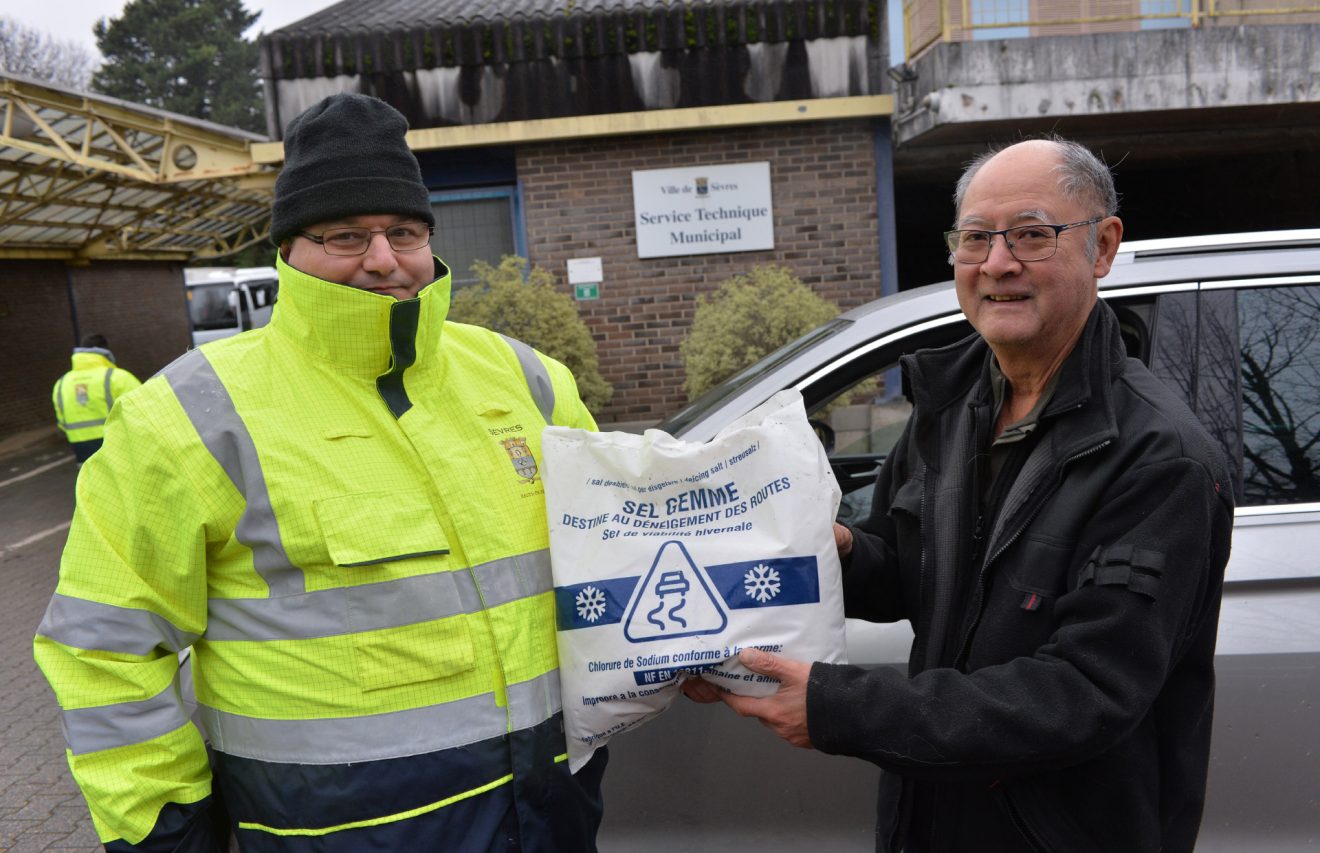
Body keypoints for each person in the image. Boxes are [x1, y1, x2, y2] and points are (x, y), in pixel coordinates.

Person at [35, 93, 607, 852]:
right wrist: (165, 831)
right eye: (345, 235)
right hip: (337, 834)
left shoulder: (527, 379)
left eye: (402, 231)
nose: (382, 258)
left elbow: (616, 544)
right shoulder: (189, 416)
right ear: (289, 250)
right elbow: (102, 646)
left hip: (547, 814)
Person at [684, 137, 1233, 852]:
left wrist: (837, 706)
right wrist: (835, 548)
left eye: (1031, 235)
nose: (997, 263)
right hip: (931, 820)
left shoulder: (1160, 457)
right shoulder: (954, 404)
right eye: (975, 238)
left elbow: (1080, 694)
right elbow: (910, 571)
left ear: (1102, 247)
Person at [51, 333, 141, 464]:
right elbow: (143, 410)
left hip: (81, 447)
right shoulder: (118, 377)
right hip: (118, 445)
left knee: (92, 483)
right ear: (106, 351)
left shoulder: (62, 383)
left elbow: (62, 421)